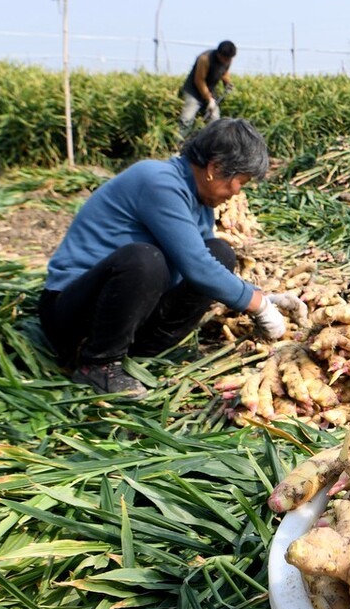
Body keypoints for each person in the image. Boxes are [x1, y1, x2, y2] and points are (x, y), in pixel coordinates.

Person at [39, 117, 300, 399]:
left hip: (123, 315)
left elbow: (207, 263)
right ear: (214, 168)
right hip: (72, 313)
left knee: (220, 253)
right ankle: (98, 364)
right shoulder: (158, 181)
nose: (238, 192)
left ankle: (142, 353)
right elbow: (197, 266)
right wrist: (258, 305)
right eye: (241, 182)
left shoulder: (199, 202)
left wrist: (259, 295)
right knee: (144, 259)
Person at [179, 40, 236, 135]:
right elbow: (199, 81)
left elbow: (224, 72)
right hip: (193, 91)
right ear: (219, 54)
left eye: (229, 59)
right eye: (226, 59)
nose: (228, 61)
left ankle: (210, 141)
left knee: (215, 118)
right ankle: (180, 141)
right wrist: (209, 99)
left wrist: (227, 83)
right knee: (187, 118)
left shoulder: (228, 59)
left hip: (210, 89)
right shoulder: (205, 59)